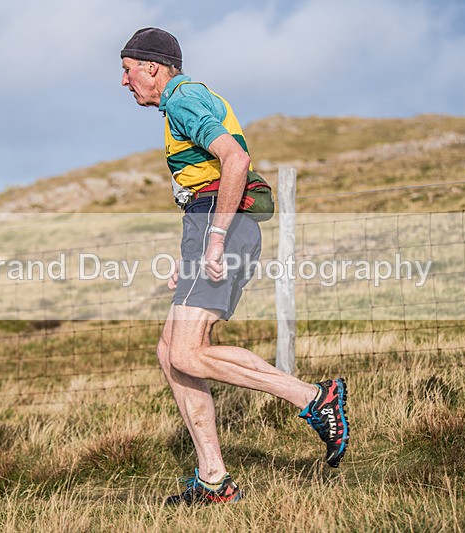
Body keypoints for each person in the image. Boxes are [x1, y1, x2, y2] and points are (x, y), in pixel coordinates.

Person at [120, 27, 349, 505]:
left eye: (128, 70)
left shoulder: (183, 99)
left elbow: (235, 160)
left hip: (219, 224)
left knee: (185, 352)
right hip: (205, 225)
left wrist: (217, 238)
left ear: (153, 68)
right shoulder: (180, 103)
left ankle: (313, 398)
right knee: (170, 352)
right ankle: (213, 480)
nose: (125, 81)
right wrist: (193, 253)